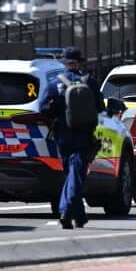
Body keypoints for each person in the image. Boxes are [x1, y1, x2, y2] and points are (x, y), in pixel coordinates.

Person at [51, 47, 103, 229]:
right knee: (77, 175)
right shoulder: (90, 82)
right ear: (79, 62)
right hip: (83, 135)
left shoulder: (54, 83)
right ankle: (66, 211)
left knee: (71, 174)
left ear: (64, 63)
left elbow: (44, 109)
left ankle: (79, 216)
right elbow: (100, 107)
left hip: (63, 137)